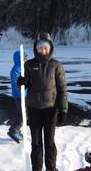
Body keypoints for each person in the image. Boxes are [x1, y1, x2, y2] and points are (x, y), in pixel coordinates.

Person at [17, 32, 68, 171]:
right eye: (40, 47)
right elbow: (24, 85)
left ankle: (51, 168)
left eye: (45, 47)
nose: (43, 50)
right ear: (36, 48)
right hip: (33, 109)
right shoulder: (28, 64)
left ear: (50, 48)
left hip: (51, 109)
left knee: (49, 142)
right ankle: (37, 168)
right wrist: (21, 82)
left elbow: (62, 89)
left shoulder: (56, 65)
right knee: (36, 142)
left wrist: (63, 110)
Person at [7, 50, 27, 143]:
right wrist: (21, 92)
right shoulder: (16, 70)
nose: (26, 60)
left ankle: (16, 130)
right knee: (23, 115)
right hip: (19, 96)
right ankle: (14, 130)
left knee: (21, 113)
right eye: (24, 58)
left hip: (22, 95)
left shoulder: (22, 69)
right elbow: (16, 84)